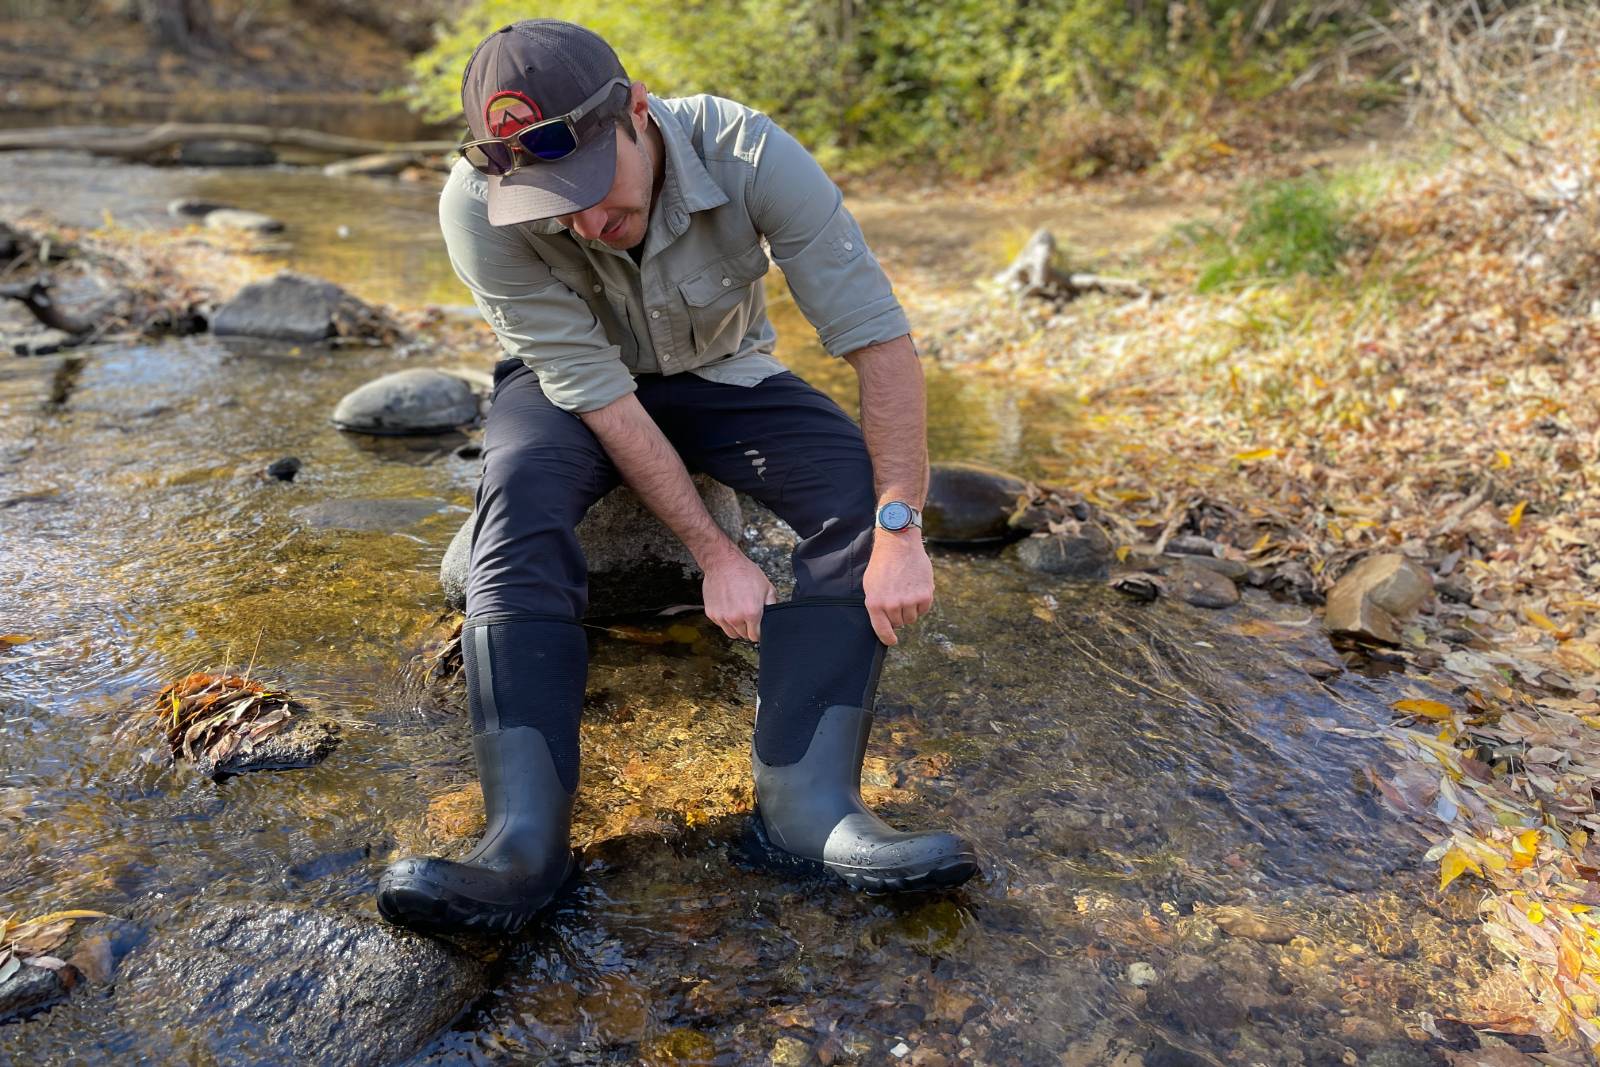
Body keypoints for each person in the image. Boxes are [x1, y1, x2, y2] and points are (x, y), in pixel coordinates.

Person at [377, 18, 978, 936]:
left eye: (586, 184)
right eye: (549, 202)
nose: (581, 222)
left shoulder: (746, 149)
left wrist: (900, 525)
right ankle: (524, 844)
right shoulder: (474, 204)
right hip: (569, 393)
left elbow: (877, 338)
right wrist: (714, 549)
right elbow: (603, 399)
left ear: (639, 113)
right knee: (518, 498)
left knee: (854, 498)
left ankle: (803, 812)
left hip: (722, 372)